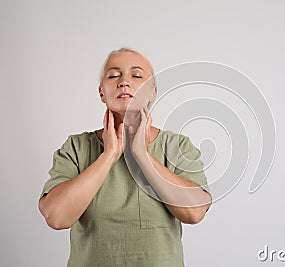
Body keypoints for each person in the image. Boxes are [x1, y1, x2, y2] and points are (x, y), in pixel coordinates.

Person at [38, 48, 212, 266]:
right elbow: (57, 217)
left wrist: (141, 154)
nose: (124, 82)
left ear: (152, 92)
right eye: (113, 75)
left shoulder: (177, 146)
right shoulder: (76, 147)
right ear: (102, 92)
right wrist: (109, 155)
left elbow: (194, 213)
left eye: (137, 75)